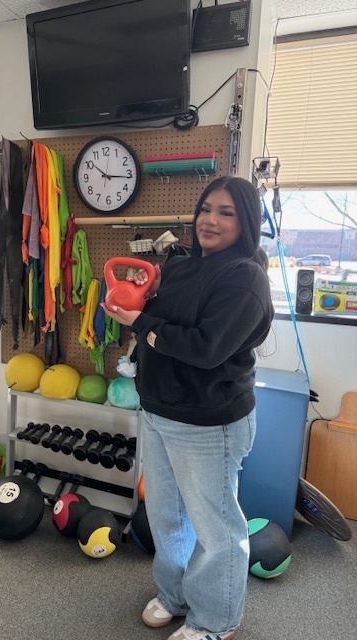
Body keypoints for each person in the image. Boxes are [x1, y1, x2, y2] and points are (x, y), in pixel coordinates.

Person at [102, 176, 274, 640]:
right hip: (159, 410)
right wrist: (143, 294)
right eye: (205, 209)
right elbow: (163, 319)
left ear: (247, 223)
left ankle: (215, 620)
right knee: (166, 516)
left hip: (209, 422)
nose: (210, 221)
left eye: (226, 213)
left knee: (217, 530)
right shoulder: (182, 265)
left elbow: (204, 348)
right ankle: (176, 595)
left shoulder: (245, 278)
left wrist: (141, 321)